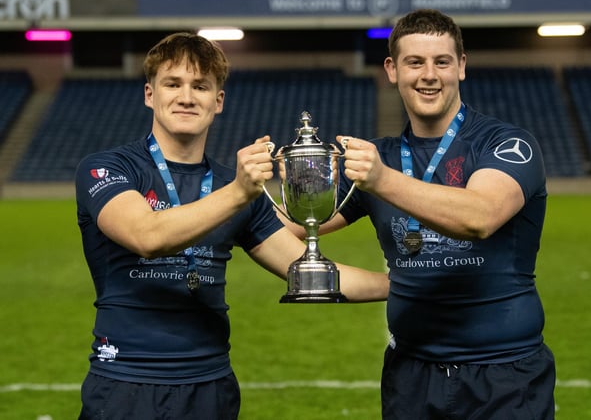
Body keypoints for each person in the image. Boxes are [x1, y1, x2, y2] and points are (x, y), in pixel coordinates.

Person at [74, 32, 388, 420]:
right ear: (149, 94)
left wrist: (408, 285)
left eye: (201, 86)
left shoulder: (235, 188)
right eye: (172, 84)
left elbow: (310, 273)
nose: (186, 97)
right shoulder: (106, 168)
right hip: (125, 383)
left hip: (211, 387)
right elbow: (146, 236)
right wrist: (240, 191)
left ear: (217, 101)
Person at [286, 8, 555, 419]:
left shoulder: (507, 144)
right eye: (415, 62)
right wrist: (245, 191)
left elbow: (480, 216)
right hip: (410, 377)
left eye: (441, 61)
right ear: (392, 70)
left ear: (461, 67)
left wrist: (381, 179)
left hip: (504, 377)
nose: (429, 75)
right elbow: (289, 230)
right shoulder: (381, 158)